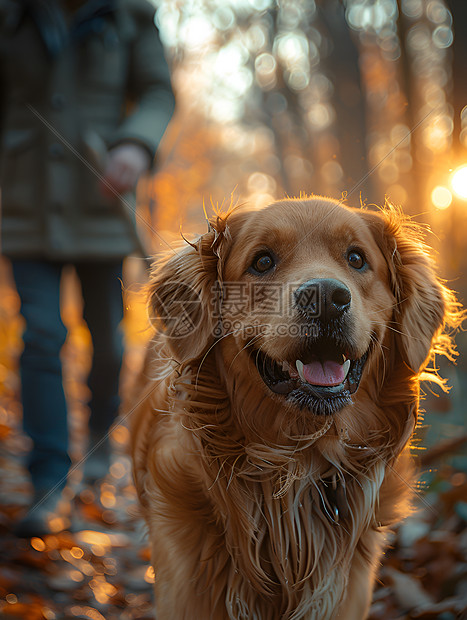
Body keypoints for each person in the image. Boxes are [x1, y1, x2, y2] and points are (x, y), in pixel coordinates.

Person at [0, 0, 175, 537]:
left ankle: (101, 441)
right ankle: (48, 479)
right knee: (43, 333)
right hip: (24, 204)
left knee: (109, 339)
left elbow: (157, 91)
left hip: (104, 200)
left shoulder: (129, 15)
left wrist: (136, 144)